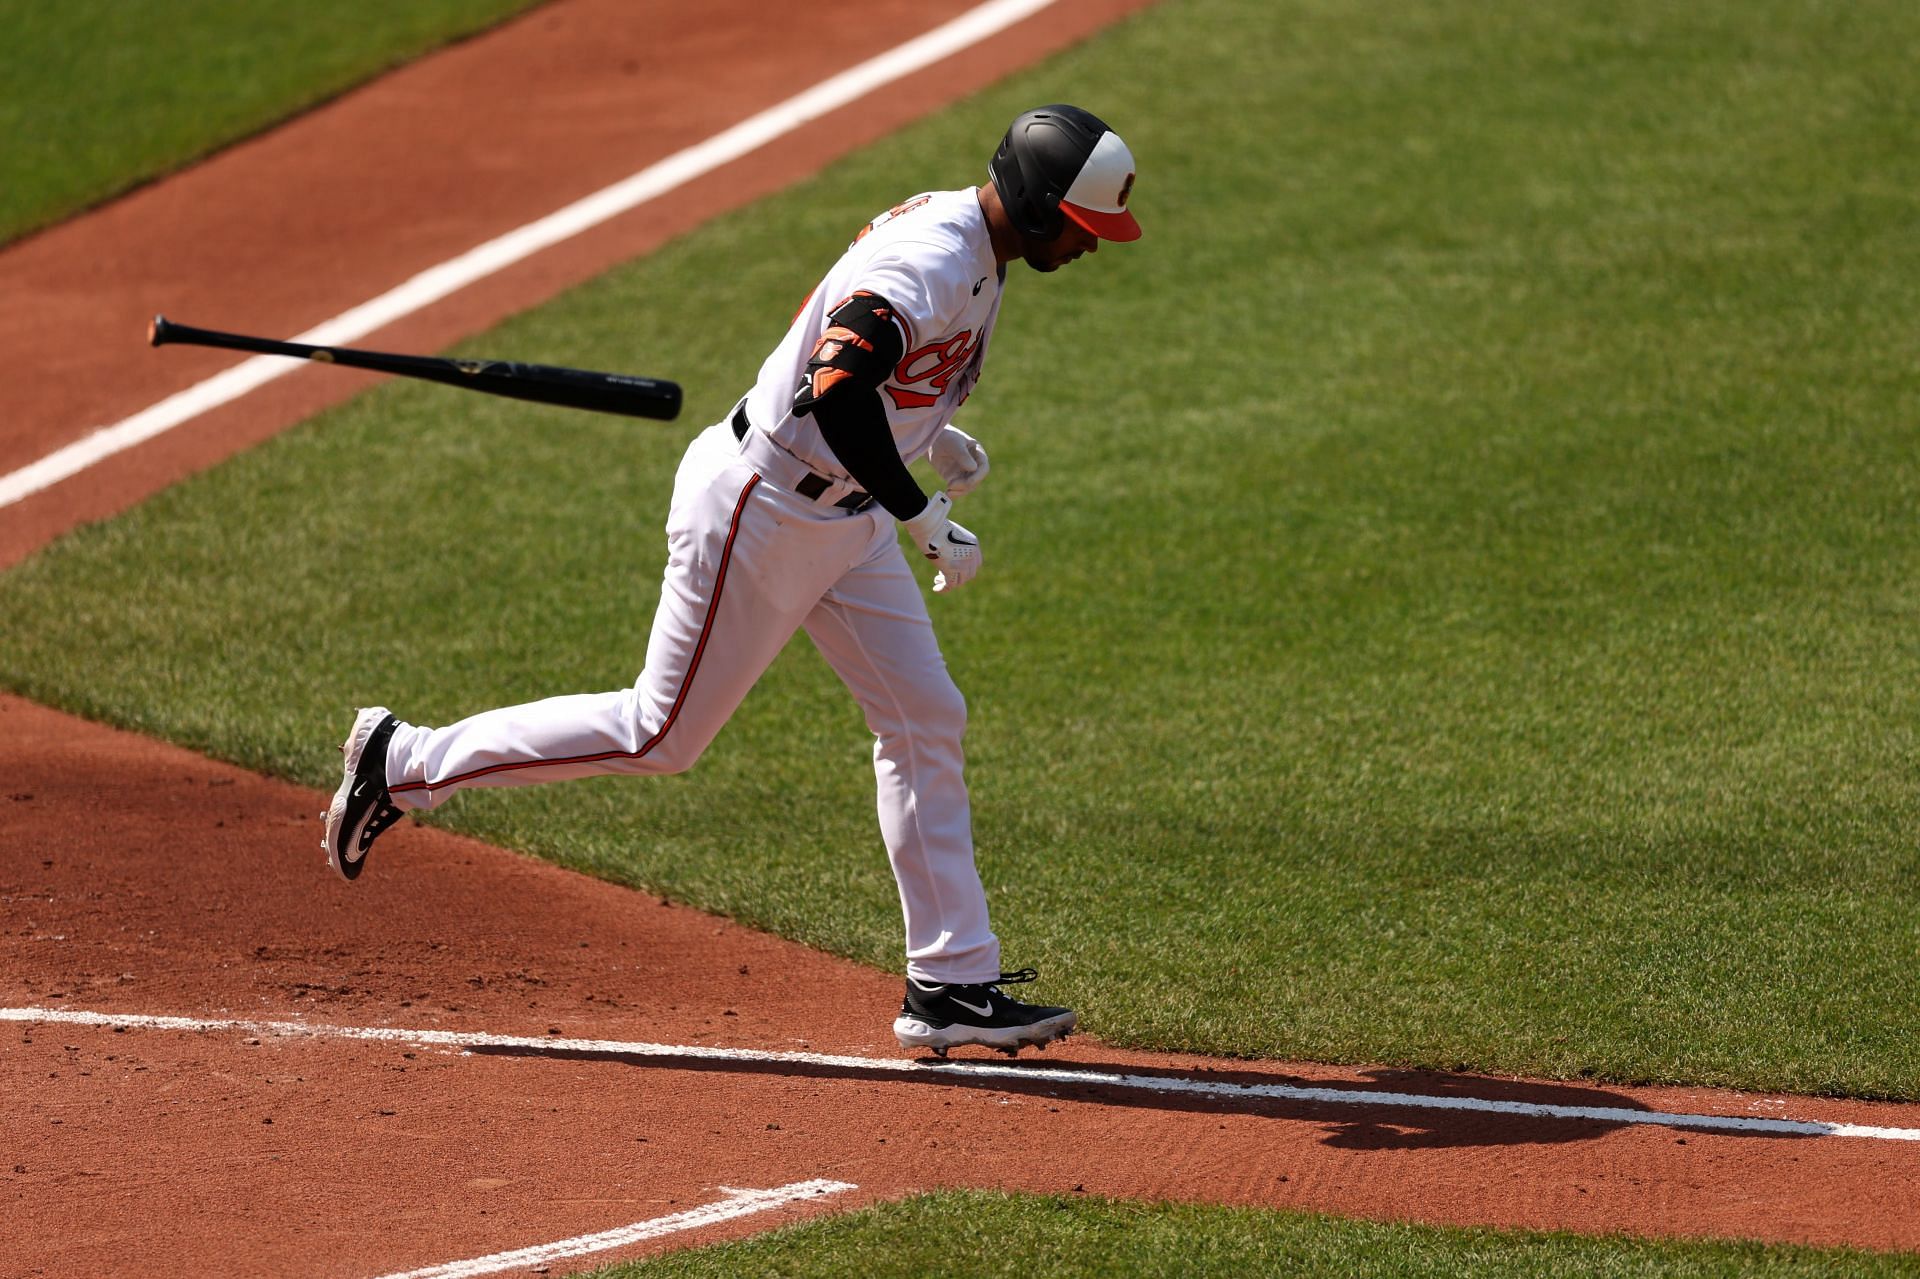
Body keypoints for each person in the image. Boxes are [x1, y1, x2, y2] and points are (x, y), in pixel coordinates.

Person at [323, 104, 1142, 1057]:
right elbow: (836, 386)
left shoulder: (982, 250)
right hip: (766, 511)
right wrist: (918, 509)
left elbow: (873, 377)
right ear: (1042, 207)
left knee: (925, 714)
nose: (1091, 249)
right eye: (1085, 230)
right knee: (658, 732)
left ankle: (951, 980)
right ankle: (404, 761)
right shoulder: (933, 254)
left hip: (842, 514)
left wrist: (930, 436)